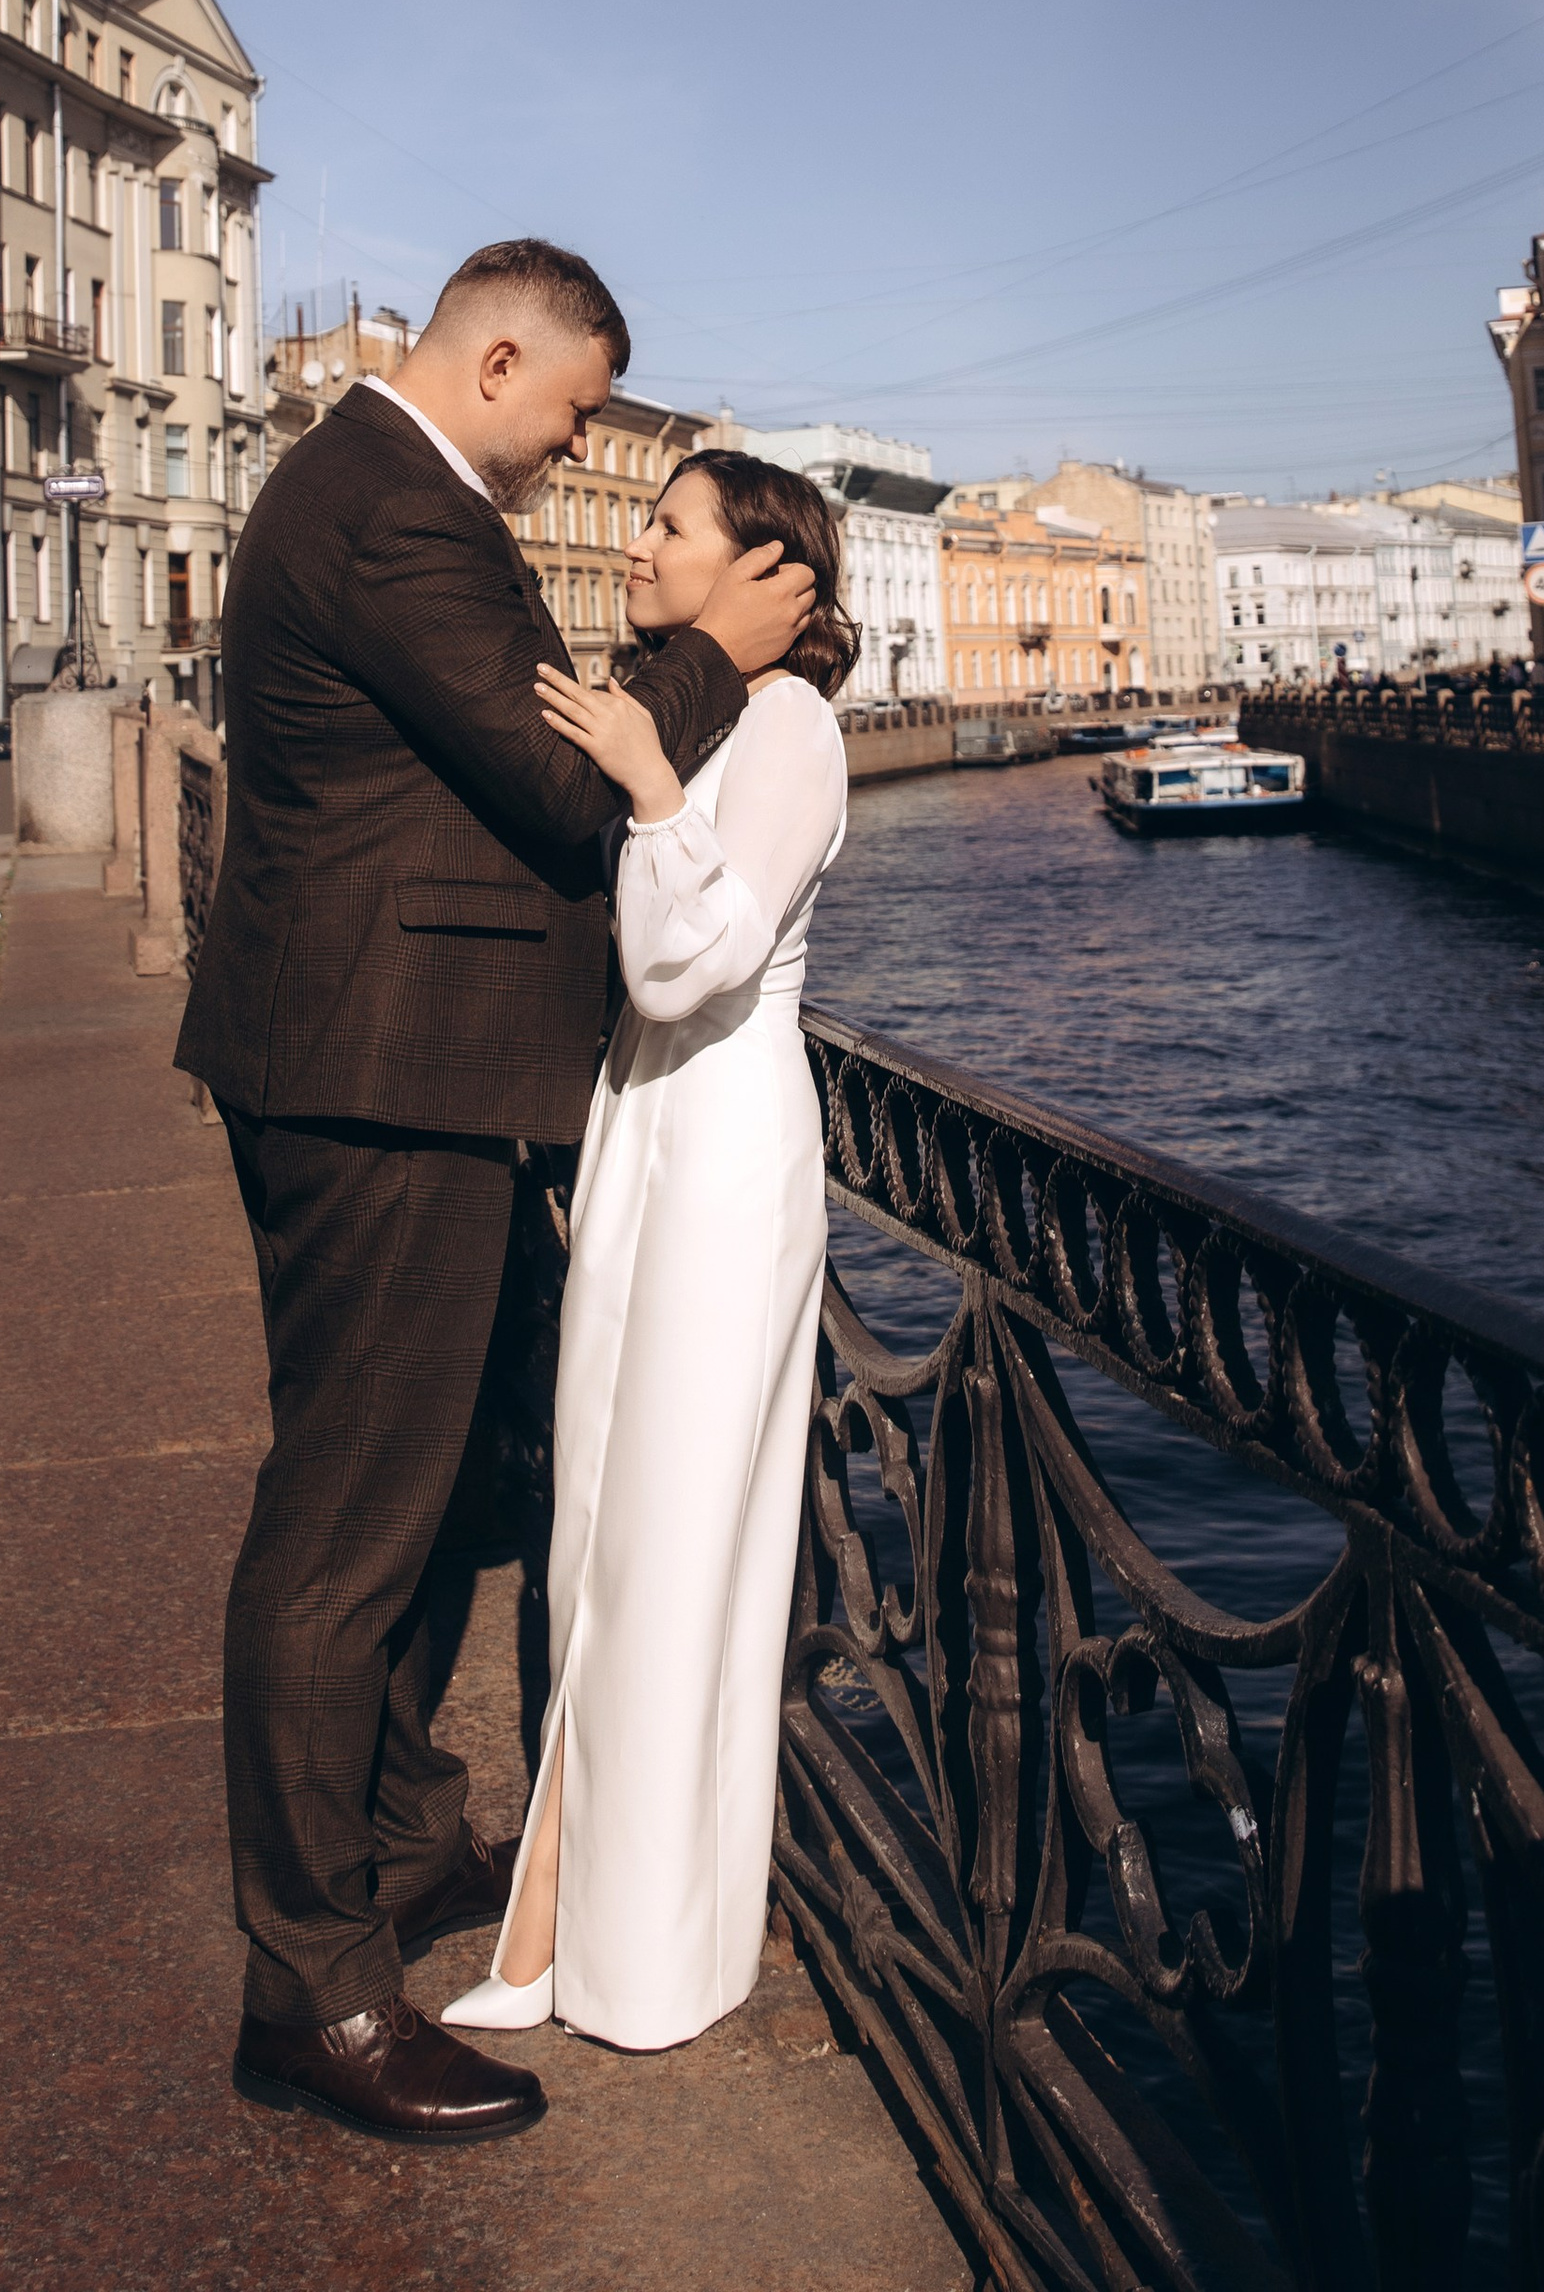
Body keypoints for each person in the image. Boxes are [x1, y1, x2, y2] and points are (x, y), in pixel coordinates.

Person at [176, 245, 814, 2148]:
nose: (573, 448)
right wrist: (727, 663)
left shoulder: (385, 497)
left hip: (393, 1062)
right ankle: (314, 1995)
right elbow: (556, 788)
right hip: (382, 1074)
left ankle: (397, 1840)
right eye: (569, 411)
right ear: (502, 356)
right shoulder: (395, 512)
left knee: (444, 1485)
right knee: (348, 1519)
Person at [442, 450, 854, 2051]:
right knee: (602, 1528)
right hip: (642, 1132)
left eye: (669, 525)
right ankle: (559, 1909)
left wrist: (651, 782)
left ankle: (643, 1952)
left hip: (729, 1143)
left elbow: (695, 964)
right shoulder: (698, 713)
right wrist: (647, 755)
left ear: (764, 575)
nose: (636, 539)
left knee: (679, 1550)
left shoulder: (798, 729)